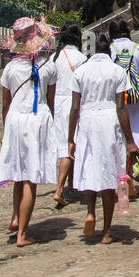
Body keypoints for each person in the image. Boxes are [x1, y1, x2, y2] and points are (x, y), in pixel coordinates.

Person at [68, 32, 139, 244]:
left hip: (88, 121)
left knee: (91, 168)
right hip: (109, 121)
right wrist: (130, 140)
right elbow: (121, 107)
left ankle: (90, 212)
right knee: (109, 176)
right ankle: (106, 232)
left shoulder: (80, 71)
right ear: (109, 49)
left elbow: (74, 108)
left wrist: (70, 138)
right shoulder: (117, 71)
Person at [0, 18, 56, 247]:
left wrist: (7, 130)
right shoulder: (47, 66)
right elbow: (50, 101)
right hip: (37, 118)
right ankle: (22, 234)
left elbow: (5, 103)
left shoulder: (10, 69)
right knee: (30, 179)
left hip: (15, 119)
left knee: (18, 174)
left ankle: (15, 217)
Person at [109, 18, 139, 197]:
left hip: (116, 98)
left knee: (119, 135)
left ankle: (121, 177)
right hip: (135, 98)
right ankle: (130, 174)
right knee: (135, 135)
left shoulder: (109, 49)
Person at [40, 22, 85, 208]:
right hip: (73, 104)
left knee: (64, 144)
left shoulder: (54, 58)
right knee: (70, 145)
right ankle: (59, 189)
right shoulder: (82, 58)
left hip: (56, 103)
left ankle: (71, 184)